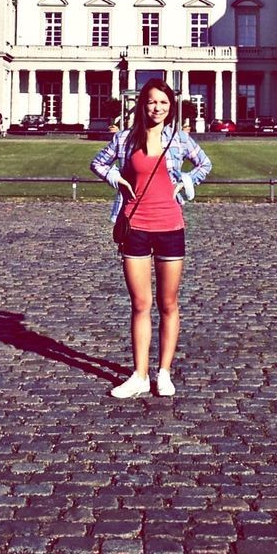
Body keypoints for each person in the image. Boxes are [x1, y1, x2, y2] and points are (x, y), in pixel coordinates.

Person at [90, 78, 212, 399]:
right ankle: (140, 374)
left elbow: (205, 164)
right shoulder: (126, 139)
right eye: (151, 102)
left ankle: (164, 373)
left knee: (168, 303)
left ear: (171, 107)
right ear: (142, 105)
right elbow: (98, 163)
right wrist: (116, 178)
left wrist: (185, 181)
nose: (157, 108)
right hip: (135, 226)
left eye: (163, 102)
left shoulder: (180, 140)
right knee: (140, 304)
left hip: (170, 226)